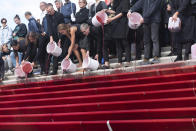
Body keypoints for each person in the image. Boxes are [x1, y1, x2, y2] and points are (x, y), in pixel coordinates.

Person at [128, 0, 163, 65]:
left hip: (154, 20)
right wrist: (130, 10)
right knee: (146, 40)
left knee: (154, 38)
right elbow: (138, 4)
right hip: (146, 21)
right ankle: (146, 58)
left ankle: (156, 57)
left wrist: (144, 17)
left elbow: (153, 8)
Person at [106, 0, 131, 67]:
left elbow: (123, 13)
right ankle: (120, 61)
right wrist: (108, 11)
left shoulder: (125, 1)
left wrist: (112, 19)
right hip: (116, 24)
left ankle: (128, 61)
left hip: (123, 23)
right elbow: (116, 11)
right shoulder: (116, 2)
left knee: (125, 42)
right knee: (118, 44)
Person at [46, 3, 65, 75]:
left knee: (63, 51)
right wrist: (51, 37)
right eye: (47, 11)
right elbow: (49, 27)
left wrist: (60, 38)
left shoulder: (59, 15)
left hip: (61, 34)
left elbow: (62, 27)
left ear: (52, 8)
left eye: (50, 11)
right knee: (54, 52)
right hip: (53, 36)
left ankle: (64, 67)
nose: (49, 12)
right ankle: (53, 70)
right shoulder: (47, 16)